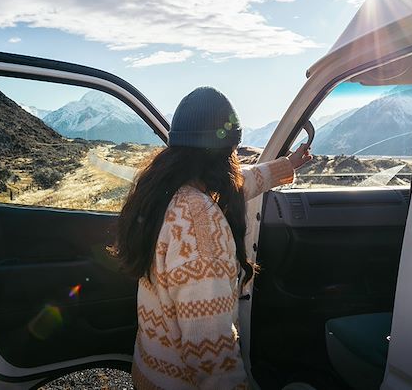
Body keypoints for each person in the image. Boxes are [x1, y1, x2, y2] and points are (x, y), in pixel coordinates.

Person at [115, 87, 312, 389]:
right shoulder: (200, 223)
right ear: (222, 155)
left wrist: (288, 165)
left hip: (152, 371)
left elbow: (239, 181)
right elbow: (210, 352)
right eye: (233, 150)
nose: (236, 158)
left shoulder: (165, 194)